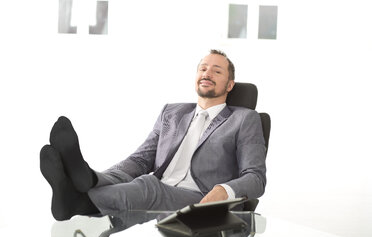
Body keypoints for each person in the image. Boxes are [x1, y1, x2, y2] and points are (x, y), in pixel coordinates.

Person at [40, 49, 267, 221]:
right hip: (157, 190)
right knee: (137, 178)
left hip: (202, 198)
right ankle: (87, 180)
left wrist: (223, 190)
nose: (207, 73)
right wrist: (101, 178)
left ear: (229, 85)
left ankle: (77, 198)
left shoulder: (245, 119)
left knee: (147, 185)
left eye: (217, 71)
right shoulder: (173, 112)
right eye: (203, 68)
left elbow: (255, 177)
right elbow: (141, 159)